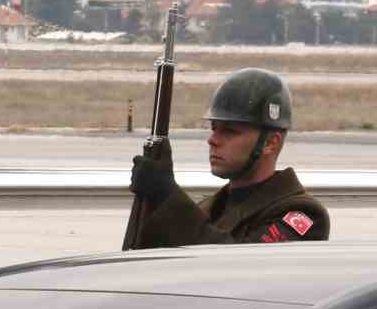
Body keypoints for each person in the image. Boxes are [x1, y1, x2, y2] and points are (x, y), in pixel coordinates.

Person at [129, 68, 329, 245]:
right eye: (214, 128)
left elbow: (237, 263)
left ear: (270, 143)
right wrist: (152, 205)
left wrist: (168, 197)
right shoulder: (209, 208)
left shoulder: (302, 215)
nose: (212, 140)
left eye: (230, 131)